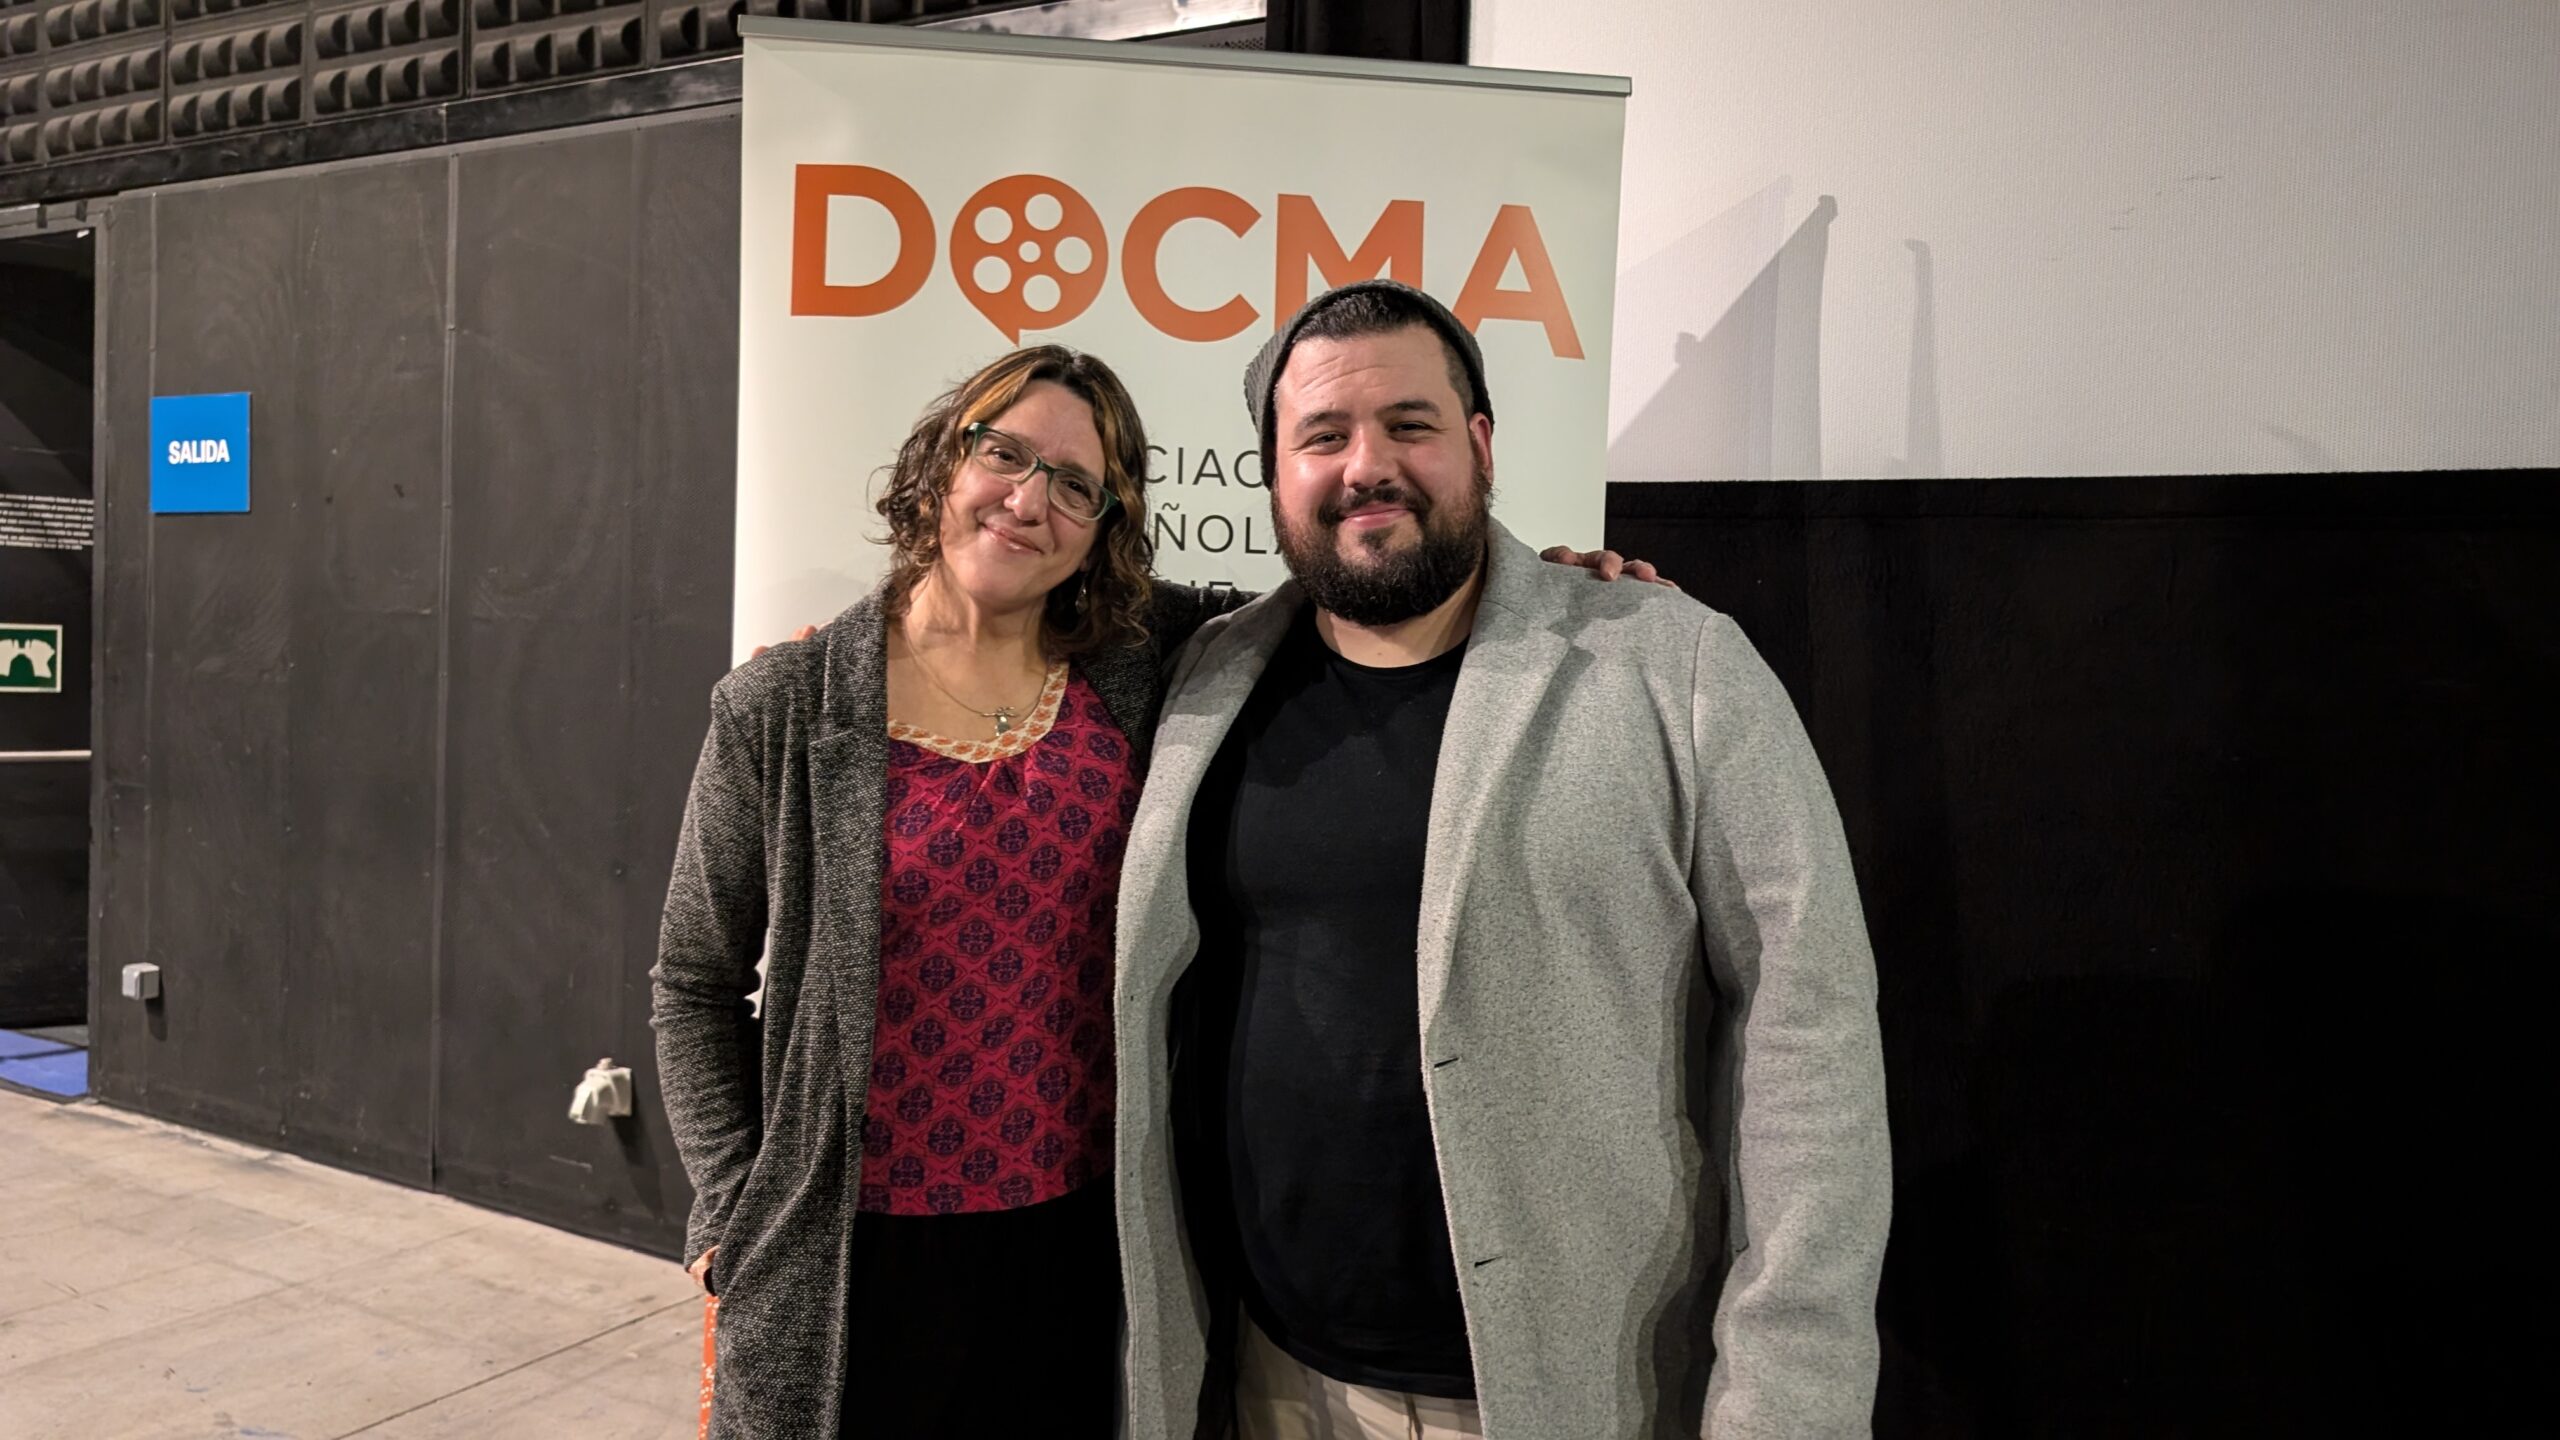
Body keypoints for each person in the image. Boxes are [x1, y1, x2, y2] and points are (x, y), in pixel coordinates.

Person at [652, 343, 1656, 1440]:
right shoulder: (784, 708)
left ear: (1103, 526)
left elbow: (1364, 595)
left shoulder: (1148, 660)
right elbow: (694, 980)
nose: (1028, 501)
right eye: (1004, 454)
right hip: (857, 1254)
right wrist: (730, 1212)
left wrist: (1540, 591)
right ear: (943, 461)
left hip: (1092, 1249)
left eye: (1075, 486)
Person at [1111, 281, 1892, 1440]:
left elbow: (1808, 1035)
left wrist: (1787, 1398)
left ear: (1480, 444)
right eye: (1322, 435)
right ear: (1271, 472)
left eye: (1409, 425)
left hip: (1575, 1393)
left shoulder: (1669, 663)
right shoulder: (1207, 677)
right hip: (1271, 1378)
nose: (1367, 466)